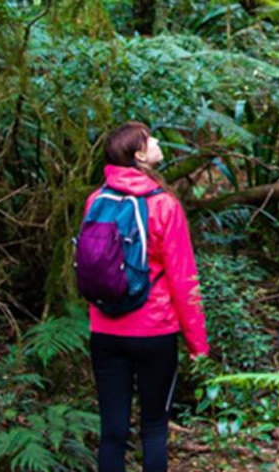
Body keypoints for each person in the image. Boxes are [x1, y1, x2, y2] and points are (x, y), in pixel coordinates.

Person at [85, 122, 209, 472]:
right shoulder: (164, 205)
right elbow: (184, 279)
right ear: (139, 155)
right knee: (154, 429)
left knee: (112, 431)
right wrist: (198, 343)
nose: (156, 142)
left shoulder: (96, 200)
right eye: (149, 138)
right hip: (154, 331)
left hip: (105, 331)